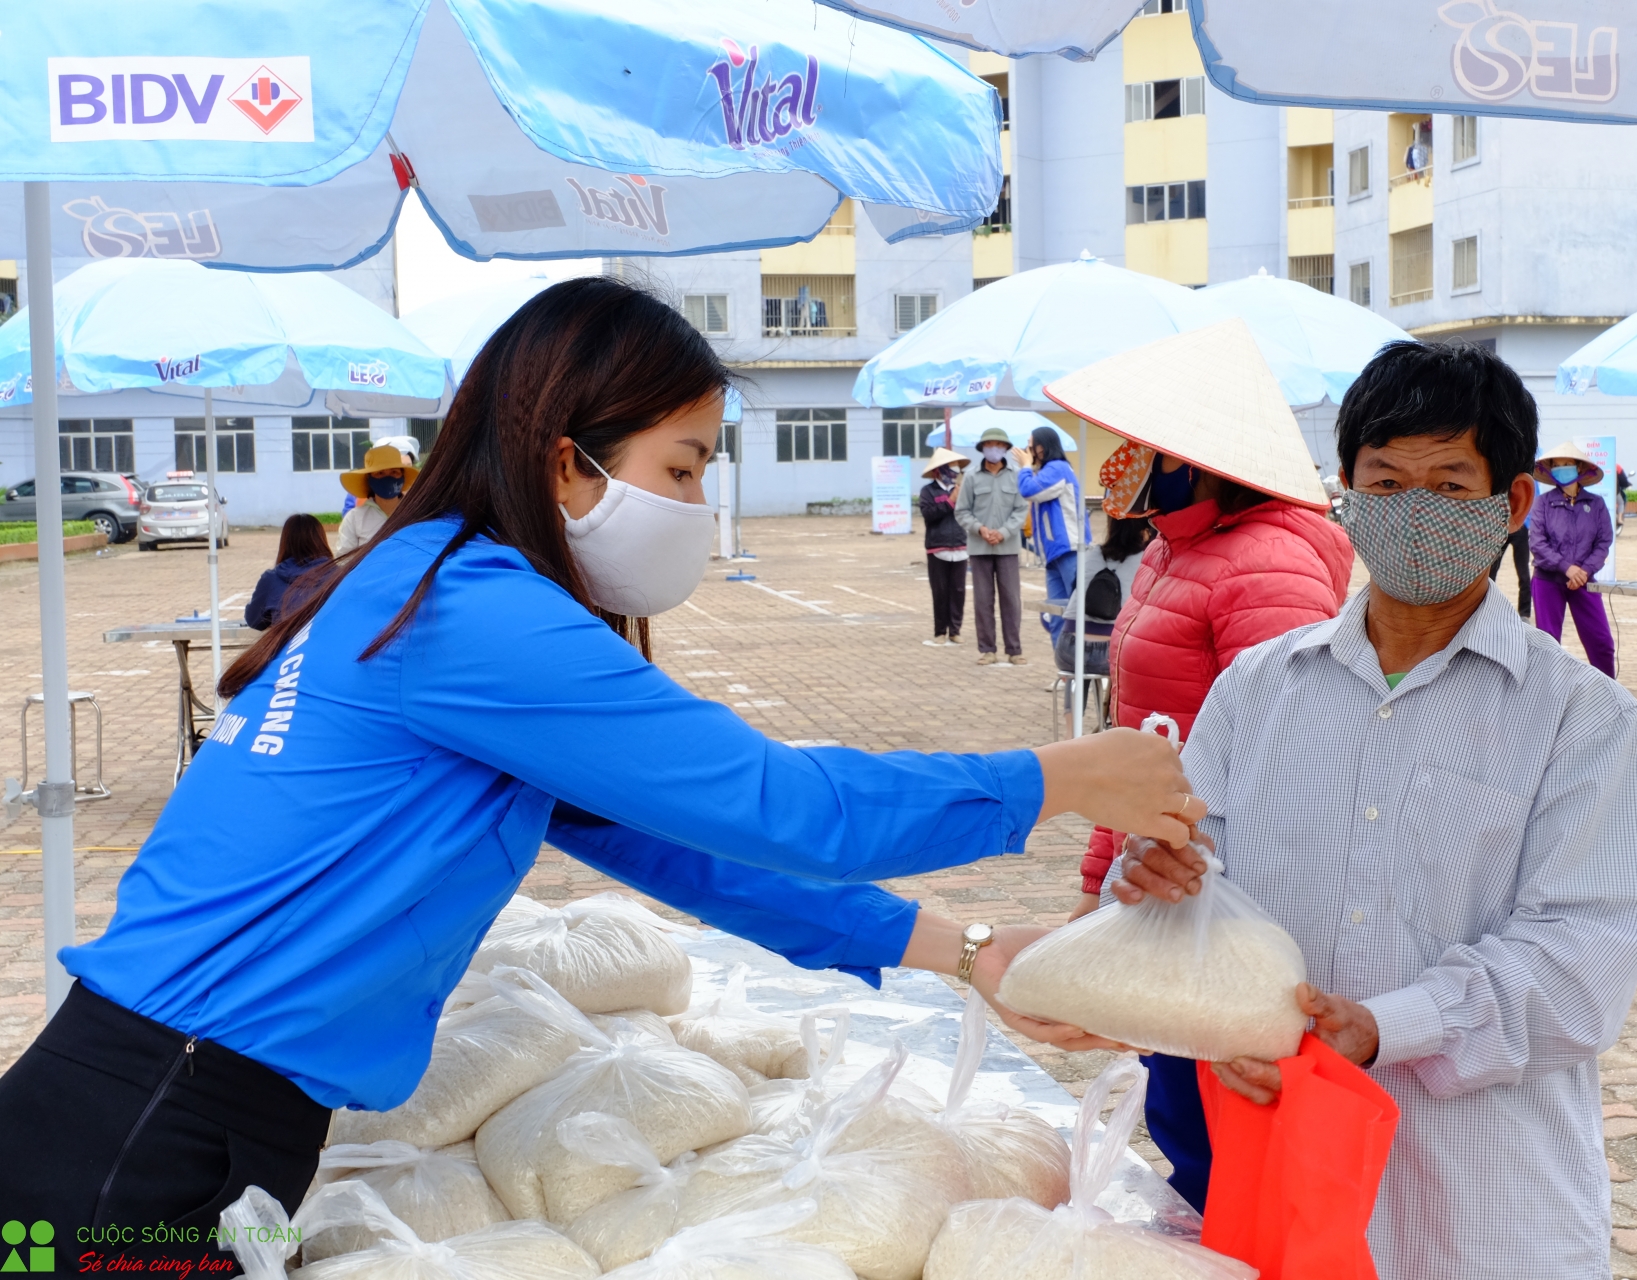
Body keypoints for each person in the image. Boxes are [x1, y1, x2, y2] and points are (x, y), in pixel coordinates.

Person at [0, 279, 1206, 1272]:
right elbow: (790, 804)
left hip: (183, 1105)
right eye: (681, 468)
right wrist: (1057, 776)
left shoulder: (434, 580)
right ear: (570, 463)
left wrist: (968, 946)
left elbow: (691, 847)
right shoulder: (470, 609)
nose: (695, 502)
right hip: (154, 1126)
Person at [1116, 340, 1637, 1280]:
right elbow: (1191, 880)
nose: (1415, 511)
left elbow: (1582, 962)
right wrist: (1156, 883)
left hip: (1485, 1203)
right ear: (1348, 491)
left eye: (1450, 486)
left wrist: (1384, 1026)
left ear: (1514, 504)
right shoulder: (1258, 687)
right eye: (1388, 479)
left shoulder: (1581, 719)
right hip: (1275, 1169)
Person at [1062, 347, 1354, 1212]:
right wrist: (1098, 882)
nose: (1116, 459)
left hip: (1223, 891)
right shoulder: (1170, 550)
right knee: (1184, 1119)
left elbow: (1297, 746)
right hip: (1163, 876)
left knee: (1228, 1138)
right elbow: (1136, 744)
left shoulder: (1270, 562)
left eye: (1134, 442)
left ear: (1194, 457)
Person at [1529, 441, 1616, 677]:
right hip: (1547, 580)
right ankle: (1546, 696)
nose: (1562, 469)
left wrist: (1583, 571)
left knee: (1602, 643)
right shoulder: (1542, 503)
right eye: (1557, 465)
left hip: (1585, 581)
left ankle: (1608, 694)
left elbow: (1603, 542)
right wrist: (1566, 568)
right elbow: (1537, 543)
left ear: (1578, 468)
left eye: (1567, 464)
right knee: (1547, 644)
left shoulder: (1596, 504)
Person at [955, 424, 1030, 666]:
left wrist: (1005, 532)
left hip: (1007, 547)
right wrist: (980, 528)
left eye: (999, 445)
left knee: (1011, 599)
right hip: (980, 548)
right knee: (983, 600)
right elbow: (962, 511)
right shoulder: (971, 476)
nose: (994, 449)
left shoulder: (1017, 475)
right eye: (989, 445)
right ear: (982, 448)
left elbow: (1021, 509)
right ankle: (987, 649)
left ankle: (1014, 650)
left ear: (1006, 448)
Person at [1050, 512, 1156, 677]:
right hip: (1110, 650)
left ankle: (1074, 702)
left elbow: (1074, 591)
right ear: (1144, 530)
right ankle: (1110, 703)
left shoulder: (1090, 554)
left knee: (1078, 679)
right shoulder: (1146, 561)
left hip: (1068, 648)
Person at [1015, 424, 1089, 642]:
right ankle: (1065, 672)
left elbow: (1029, 490)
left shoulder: (1058, 468)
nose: (1028, 452)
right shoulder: (1047, 471)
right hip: (1054, 554)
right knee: (1056, 615)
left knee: (1076, 612)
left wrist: (1025, 468)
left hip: (1070, 549)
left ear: (1043, 447)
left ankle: (1081, 668)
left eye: (1031, 447)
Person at [918, 446, 971, 646]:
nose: (953, 470)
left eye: (955, 467)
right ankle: (940, 630)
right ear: (937, 470)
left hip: (960, 545)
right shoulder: (927, 491)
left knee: (958, 590)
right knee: (940, 591)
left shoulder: (964, 490)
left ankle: (955, 630)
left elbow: (969, 514)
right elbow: (929, 515)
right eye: (949, 467)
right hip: (937, 546)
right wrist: (950, 502)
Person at [245, 513, 334, 630]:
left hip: (287, 647)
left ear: (285, 542)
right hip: (331, 646)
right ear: (322, 541)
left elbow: (254, 621)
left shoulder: (271, 580)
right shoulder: (341, 576)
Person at [335, 443, 418, 553]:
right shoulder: (354, 518)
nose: (388, 478)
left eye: (394, 472)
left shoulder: (417, 514)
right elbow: (344, 560)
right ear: (369, 479)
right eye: (380, 473)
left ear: (402, 476)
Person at [1487, 507, 1532, 619]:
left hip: (1521, 527)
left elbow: (1533, 501)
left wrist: (1527, 523)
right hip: (1502, 527)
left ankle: (1525, 614)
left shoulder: (1530, 489)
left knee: (1523, 573)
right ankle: (1487, 607)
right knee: (1491, 572)